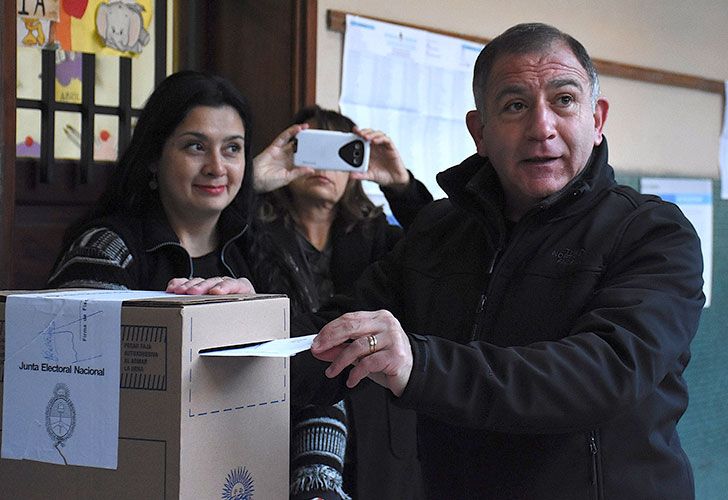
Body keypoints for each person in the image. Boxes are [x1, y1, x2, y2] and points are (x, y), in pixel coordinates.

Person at [288, 23, 705, 499]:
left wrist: (420, 364)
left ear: (598, 118)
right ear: (479, 132)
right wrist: (246, 316)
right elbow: (332, 331)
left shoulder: (652, 231)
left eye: (564, 100)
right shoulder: (439, 230)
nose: (542, 127)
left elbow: (606, 371)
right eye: (515, 105)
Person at [251, 106, 431, 499]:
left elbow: (438, 250)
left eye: (340, 153)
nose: (323, 167)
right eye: (314, 149)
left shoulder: (376, 234)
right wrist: (254, 180)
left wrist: (400, 185)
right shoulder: (255, 231)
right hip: (282, 407)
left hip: (372, 412)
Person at [47, 70, 255, 296]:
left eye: (232, 148)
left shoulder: (259, 250)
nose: (216, 168)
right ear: (154, 157)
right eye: (196, 146)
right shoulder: (104, 250)